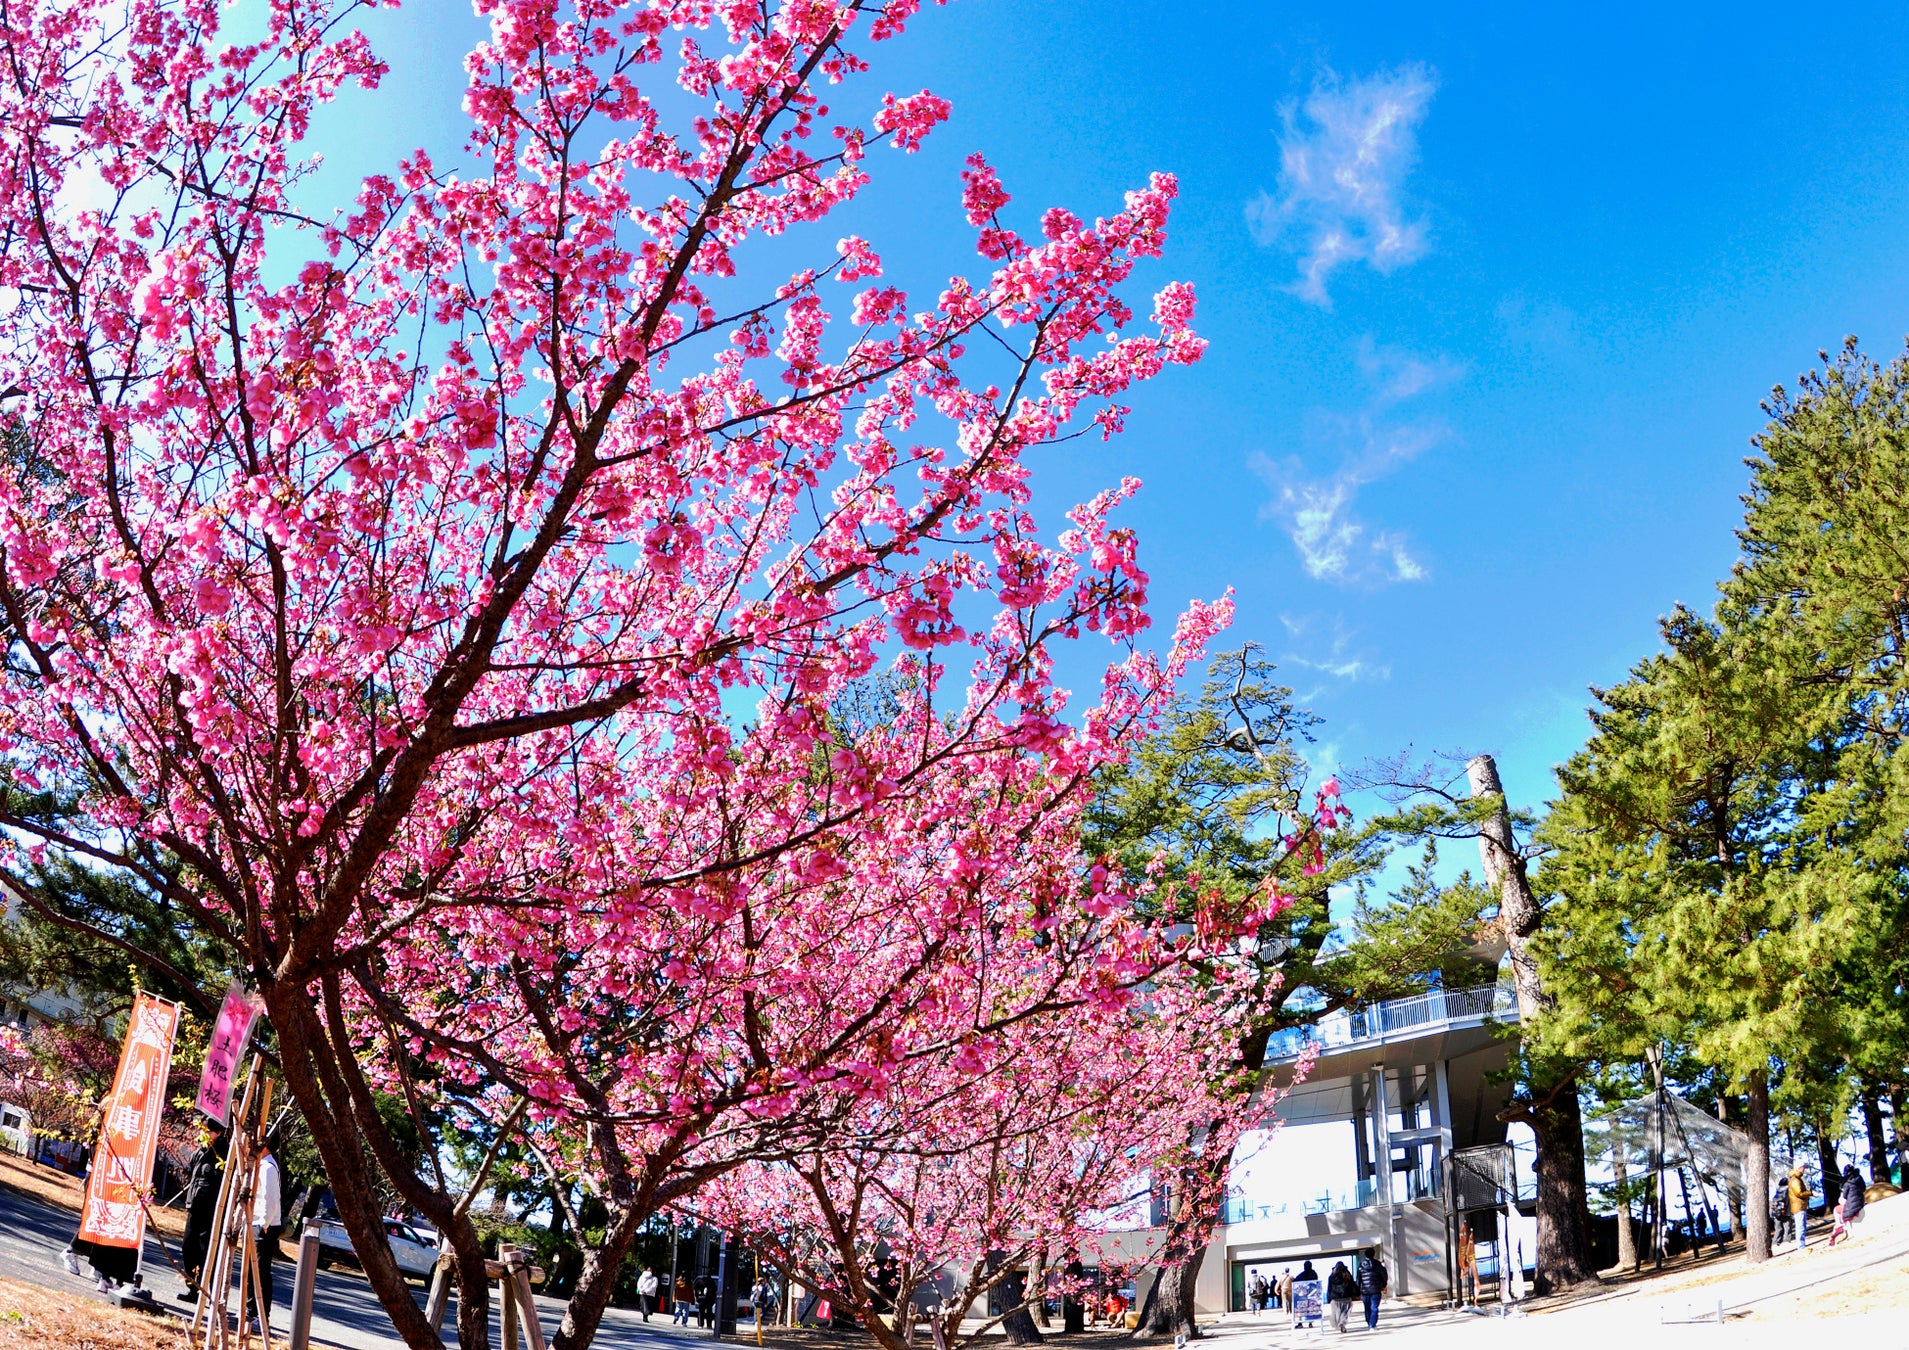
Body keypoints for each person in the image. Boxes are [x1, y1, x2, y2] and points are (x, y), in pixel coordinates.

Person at [177, 1118, 228, 1299]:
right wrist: (201, 1149)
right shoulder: (201, 1151)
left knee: (206, 1250)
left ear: (218, 1133)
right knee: (188, 1247)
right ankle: (193, 1288)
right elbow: (191, 1168)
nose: (203, 1134)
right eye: (202, 1130)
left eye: (207, 1131)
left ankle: (210, 1292)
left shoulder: (224, 1154)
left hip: (211, 1210)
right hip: (195, 1206)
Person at [247, 1136, 282, 1335]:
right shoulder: (260, 1165)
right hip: (256, 1221)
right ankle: (250, 1310)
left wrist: (265, 1223)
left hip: (265, 1225)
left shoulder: (268, 1168)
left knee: (260, 1271)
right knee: (251, 1269)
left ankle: (261, 1316)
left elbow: (271, 1200)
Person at [1828, 1163, 1867, 1246]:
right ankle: (1843, 1228)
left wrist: (1842, 1189)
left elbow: (1844, 1197)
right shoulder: (1859, 1177)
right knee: (1846, 1209)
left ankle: (1842, 1227)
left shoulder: (1847, 1183)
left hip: (1852, 1206)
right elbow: (1864, 1189)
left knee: (1838, 1210)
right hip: (1861, 1202)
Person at [1355, 1249, 1387, 1330]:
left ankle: (1369, 1322)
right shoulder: (1378, 1264)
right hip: (1376, 1289)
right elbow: (1384, 1275)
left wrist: (1358, 1291)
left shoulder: (1361, 1266)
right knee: (1374, 1308)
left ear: (1365, 1255)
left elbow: (1358, 1279)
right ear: (1374, 1254)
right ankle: (1372, 1325)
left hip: (1364, 1291)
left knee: (1367, 1308)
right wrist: (1383, 1285)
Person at [1787, 1160, 1811, 1253]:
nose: (1804, 1169)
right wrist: (1811, 1193)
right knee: (1800, 1226)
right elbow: (1799, 1193)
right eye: (1803, 1167)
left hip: (1800, 1206)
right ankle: (1801, 1246)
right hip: (1799, 1207)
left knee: (1802, 1226)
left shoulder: (1797, 1179)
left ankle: (1801, 1244)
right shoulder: (1795, 1180)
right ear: (1800, 1168)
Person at [1324, 1261, 1356, 1333]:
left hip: (1335, 1298)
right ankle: (1342, 1323)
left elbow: (1329, 1288)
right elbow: (1352, 1285)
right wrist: (1354, 1294)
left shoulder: (1331, 1277)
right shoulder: (1347, 1275)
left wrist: (1328, 1298)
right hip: (1346, 1296)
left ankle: (1339, 1322)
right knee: (1345, 1311)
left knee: (1336, 1312)